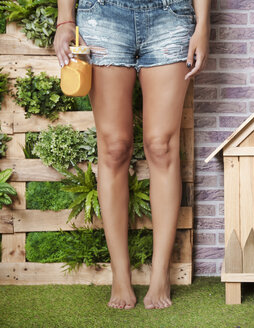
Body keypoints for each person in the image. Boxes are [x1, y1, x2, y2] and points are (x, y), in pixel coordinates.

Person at [54, 0, 210, 310]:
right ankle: (120, 276)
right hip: (102, 15)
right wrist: (64, 20)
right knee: (113, 147)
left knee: (161, 145)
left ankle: (160, 275)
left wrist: (203, 24)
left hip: (171, 16)